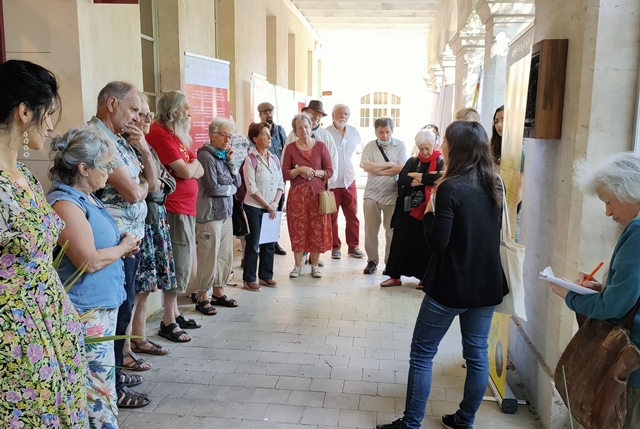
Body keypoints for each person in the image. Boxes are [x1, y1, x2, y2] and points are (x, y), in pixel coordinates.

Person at [377, 120, 506, 429]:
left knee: (422, 353)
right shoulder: (494, 183)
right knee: (477, 356)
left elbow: (438, 241)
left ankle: (411, 423)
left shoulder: (450, 186)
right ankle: (465, 420)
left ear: (456, 147)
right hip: (486, 283)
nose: (442, 145)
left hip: (451, 283)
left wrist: (430, 214)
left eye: (446, 140)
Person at [0, 59, 89, 428]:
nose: (51, 126)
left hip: (51, 325)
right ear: (24, 112)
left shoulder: (23, 177)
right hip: (16, 339)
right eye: (47, 114)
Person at [48, 127, 145, 419]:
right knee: (95, 394)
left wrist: (120, 246)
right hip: (86, 311)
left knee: (103, 390)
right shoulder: (66, 203)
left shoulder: (89, 197)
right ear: (83, 168)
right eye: (105, 166)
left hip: (102, 308)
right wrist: (122, 247)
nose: (109, 172)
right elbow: (88, 261)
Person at [549, 153, 640, 429]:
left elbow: (614, 307)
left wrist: (570, 295)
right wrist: (602, 289)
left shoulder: (637, 231)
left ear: (629, 191)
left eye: (609, 201)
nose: (608, 212)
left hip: (630, 362)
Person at [90, 81, 156, 406]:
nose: (136, 118)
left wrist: (143, 151)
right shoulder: (97, 139)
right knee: (116, 315)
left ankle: (115, 376)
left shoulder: (122, 140)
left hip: (128, 243)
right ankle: (113, 388)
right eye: (133, 110)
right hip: (112, 244)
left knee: (124, 309)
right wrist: (141, 186)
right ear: (112, 105)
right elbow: (133, 192)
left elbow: (152, 185)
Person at [146, 91, 204, 340]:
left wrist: (191, 168)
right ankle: (168, 321)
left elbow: (196, 166)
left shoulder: (175, 134)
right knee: (177, 263)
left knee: (184, 261)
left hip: (185, 208)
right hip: (174, 208)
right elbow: (186, 170)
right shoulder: (159, 133)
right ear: (175, 112)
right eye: (187, 108)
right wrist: (191, 168)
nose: (190, 113)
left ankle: (175, 312)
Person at [126, 93, 175, 361]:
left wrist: (154, 184)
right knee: (136, 288)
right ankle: (127, 345)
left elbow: (167, 181)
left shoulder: (146, 146)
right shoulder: (132, 146)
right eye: (140, 113)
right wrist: (153, 184)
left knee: (145, 287)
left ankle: (139, 337)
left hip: (155, 220)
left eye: (147, 114)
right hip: (141, 223)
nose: (145, 119)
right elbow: (155, 186)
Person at [380, 128, 444, 288]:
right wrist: (426, 179)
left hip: (428, 208)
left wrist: (416, 176)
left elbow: (438, 179)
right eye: (421, 148)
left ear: (433, 144)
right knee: (400, 240)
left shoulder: (441, 161)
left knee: (425, 243)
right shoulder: (413, 161)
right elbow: (403, 179)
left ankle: (425, 278)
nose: (424, 151)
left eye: (427, 148)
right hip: (408, 208)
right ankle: (395, 276)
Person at [192, 117, 243, 311]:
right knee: (209, 255)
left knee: (224, 255)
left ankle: (218, 292)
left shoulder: (223, 156)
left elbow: (237, 183)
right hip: (210, 214)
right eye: (223, 135)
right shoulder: (206, 156)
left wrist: (231, 162)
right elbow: (212, 188)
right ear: (212, 135)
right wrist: (230, 189)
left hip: (225, 213)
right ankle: (202, 295)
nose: (227, 139)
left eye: (230, 136)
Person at [282, 113, 334, 278]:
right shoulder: (291, 148)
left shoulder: (321, 146)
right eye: (299, 128)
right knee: (297, 228)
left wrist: (313, 173)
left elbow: (330, 171)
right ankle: (297, 266)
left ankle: (314, 265)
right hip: (297, 196)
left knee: (316, 229)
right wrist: (299, 170)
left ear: (311, 128)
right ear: (295, 131)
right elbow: (284, 173)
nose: (303, 130)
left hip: (317, 195)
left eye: (306, 126)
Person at [360, 117, 408, 274]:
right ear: (375, 131)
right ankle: (372, 261)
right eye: (381, 132)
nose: (385, 136)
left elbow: (402, 167)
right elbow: (365, 165)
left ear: (392, 131)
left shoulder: (400, 145)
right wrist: (388, 164)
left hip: (391, 194)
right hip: (371, 194)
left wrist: (377, 169)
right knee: (370, 230)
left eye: (388, 132)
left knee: (391, 231)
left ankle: (390, 263)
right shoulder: (370, 146)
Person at [242, 122, 285, 289]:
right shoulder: (250, 159)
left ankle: (266, 275)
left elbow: (281, 182)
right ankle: (249, 278)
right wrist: (268, 205)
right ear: (255, 138)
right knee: (253, 243)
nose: (270, 137)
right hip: (254, 207)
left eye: (269, 134)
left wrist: (274, 203)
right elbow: (251, 188)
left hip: (271, 207)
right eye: (265, 134)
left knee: (270, 242)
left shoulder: (274, 158)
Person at [326, 104, 365, 260]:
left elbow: (360, 152)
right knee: (332, 216)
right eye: (340, 113)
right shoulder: (326, 133)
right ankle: (335, 246)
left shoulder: (354, 132)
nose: (343, 116)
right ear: (333, 115)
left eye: (346, 113)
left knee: (352, 215)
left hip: (349, 180)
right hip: (332, 181)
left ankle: (353, 246)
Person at [257, 102, 288, 256]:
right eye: (264, 112)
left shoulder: (280, 130)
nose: (268, 114)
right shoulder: (257, 131)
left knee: (277, 210)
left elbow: (286, 150)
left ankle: (273, 242)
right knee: (262, 211)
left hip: (278, 179)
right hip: (262, 179)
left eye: (270, 111)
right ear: (260, 115)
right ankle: (261, 243)